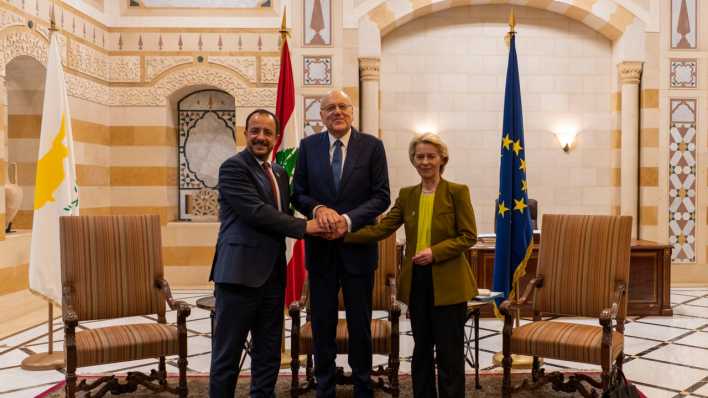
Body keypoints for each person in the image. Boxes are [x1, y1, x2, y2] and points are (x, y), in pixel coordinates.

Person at [345, 133, 478, 398]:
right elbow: (383, 228)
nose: (425, 161)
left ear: (442, 159)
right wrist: (343, 234)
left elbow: (468, 236)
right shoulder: (407, 195)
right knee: (422, 349)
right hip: (417, 282)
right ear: (413, 161)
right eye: (420, 156)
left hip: (450, 285)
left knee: (450, 352)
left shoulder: (457, 192)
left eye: (431, 156)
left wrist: (435, 252)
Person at [208, 109, 324, 398]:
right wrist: (306, 227)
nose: (261, 137)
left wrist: (322, 211)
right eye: (255, 130)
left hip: (272, 276)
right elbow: (257, 213)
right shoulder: (233, 168)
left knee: (269, 352)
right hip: (238, 275)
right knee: (227, 355)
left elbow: (286, 208)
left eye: (267, 132)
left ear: (276, 137)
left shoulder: (280, 173)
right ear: (245, 133)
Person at [292, 89, 391, 398]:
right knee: (322, 323)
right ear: (320, 115)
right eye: (330, 108)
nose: (337, 112)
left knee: (360, 324)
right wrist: (319, 210)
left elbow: (381, 196)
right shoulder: (308, 147)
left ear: (352, 111)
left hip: (357, 251)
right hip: (320, 251)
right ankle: (325, 386)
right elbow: (298, 193)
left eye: (342, 106)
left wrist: (346, 221)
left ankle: (363, 385)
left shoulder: (372, 147)